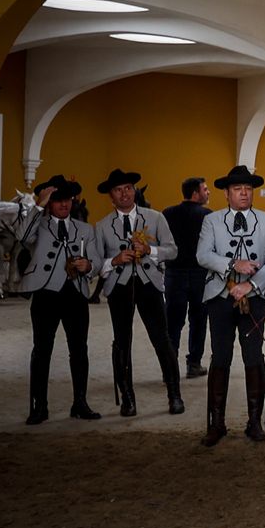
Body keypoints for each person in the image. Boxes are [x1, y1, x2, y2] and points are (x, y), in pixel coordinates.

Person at [196, 165, 265, 445]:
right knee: (220, 357)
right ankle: (216, 423)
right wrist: (233, 264)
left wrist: (251, 284)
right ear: (226, 193)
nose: (244, 193)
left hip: (254, 299)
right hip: (220, 297)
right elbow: (203, 255)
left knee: (253, 357)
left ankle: (254, 422)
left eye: (248, 188)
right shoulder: (212, 221)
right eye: (237, 189)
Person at [93, 169, 184, 417]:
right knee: (122, 343)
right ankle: (128, 399)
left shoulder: (155, 218)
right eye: (118, 190)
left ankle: (174, 395)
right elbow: (94, 264)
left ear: (135, 191)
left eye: (128, 188)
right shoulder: (101, 226)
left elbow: (172, 250)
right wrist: (114, 260)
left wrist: (150, 251)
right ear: (111, 196)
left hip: (149, 284)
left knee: (162, 339)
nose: (124, 193)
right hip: (119, 287)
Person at [19, 175, 103, 423]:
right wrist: (37, 203)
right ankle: (38, 406)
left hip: (75, 294)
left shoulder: (86, 229)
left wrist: (88, 265)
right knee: (42, 350)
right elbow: (21, 237)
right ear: (49, 202)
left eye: (67, 199)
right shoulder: (38, 224)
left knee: (79, 350)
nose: (63, 204)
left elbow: (97, 261)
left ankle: (80, 403)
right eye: (57, 200)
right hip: (45, 294)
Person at [163, 177, 212, 379]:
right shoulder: (208, 216)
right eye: (205, 189)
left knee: (173, 322)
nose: (208, 193)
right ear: (195, 193)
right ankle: (194, 363)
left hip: (174, 274)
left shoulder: (167, 213)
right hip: (200, 274)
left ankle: (170, 367)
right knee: (198, 321)